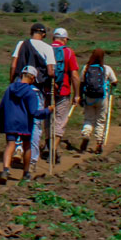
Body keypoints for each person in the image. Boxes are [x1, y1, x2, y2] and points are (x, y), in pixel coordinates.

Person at [8, 22, 56, 166]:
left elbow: (13, 65)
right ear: (44, 35)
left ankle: (18, 147)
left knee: (19, 117)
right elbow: (50, 72)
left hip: (19, 86)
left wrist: (12, 83)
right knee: (35, 123)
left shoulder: (21, 44)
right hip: (36, 88)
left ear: (31, 32)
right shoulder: (48, 48)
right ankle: (33, 160)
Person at [0, 65, 52, 183]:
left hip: (10, 122)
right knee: (27, 146)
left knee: (10, 145)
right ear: (32, 78)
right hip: (24, 123)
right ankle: (26, 173)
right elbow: (34, 113)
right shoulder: (30, 93)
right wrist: (48, 110)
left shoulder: (10, 88)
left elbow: (1, 107)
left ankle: (5, 170)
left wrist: (3, 123)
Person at [78, 48, 118, 154]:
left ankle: (86, 135)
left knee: (88, 118)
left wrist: (80, 97)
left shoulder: (86, 68)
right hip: (102, 98)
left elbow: (81, 83)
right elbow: (115, 81)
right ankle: (99, 142)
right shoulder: (106, 68)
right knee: (100, 120)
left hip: (89, 97)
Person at [48, 27, 81, 155]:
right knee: (60, 120)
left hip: (47, 91)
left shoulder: (45, 49)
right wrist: (77, 94)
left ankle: (46, 145)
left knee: (47, 118)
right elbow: (74, 75)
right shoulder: (68, 52)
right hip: (63, 91)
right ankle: (54, 148)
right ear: (64, 39)